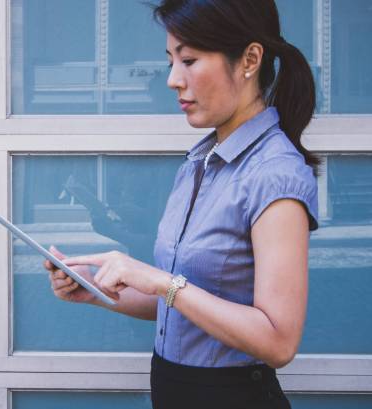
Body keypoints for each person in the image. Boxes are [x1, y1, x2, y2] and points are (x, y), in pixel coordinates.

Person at [44, 0, 319, 407]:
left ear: (250, 59)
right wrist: (97, 291)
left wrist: (157, 279)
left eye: (189, 59)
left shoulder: (274, 173)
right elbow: (184, 303)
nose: (173, 79)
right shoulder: (199, 162)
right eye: (171, 60)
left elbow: (278, 341)